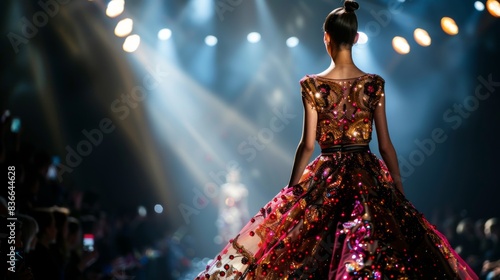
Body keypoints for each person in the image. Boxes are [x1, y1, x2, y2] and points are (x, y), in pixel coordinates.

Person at [195, 1, 479, 279]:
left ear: (326, 38)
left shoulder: (312, 85)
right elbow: (385, 145)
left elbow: (307, 144)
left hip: (325, 176)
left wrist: (293, 191)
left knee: (311, 251)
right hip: (368, 176)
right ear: (356, 38)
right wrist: (398, 188)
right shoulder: (373, 84)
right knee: (382, 251)